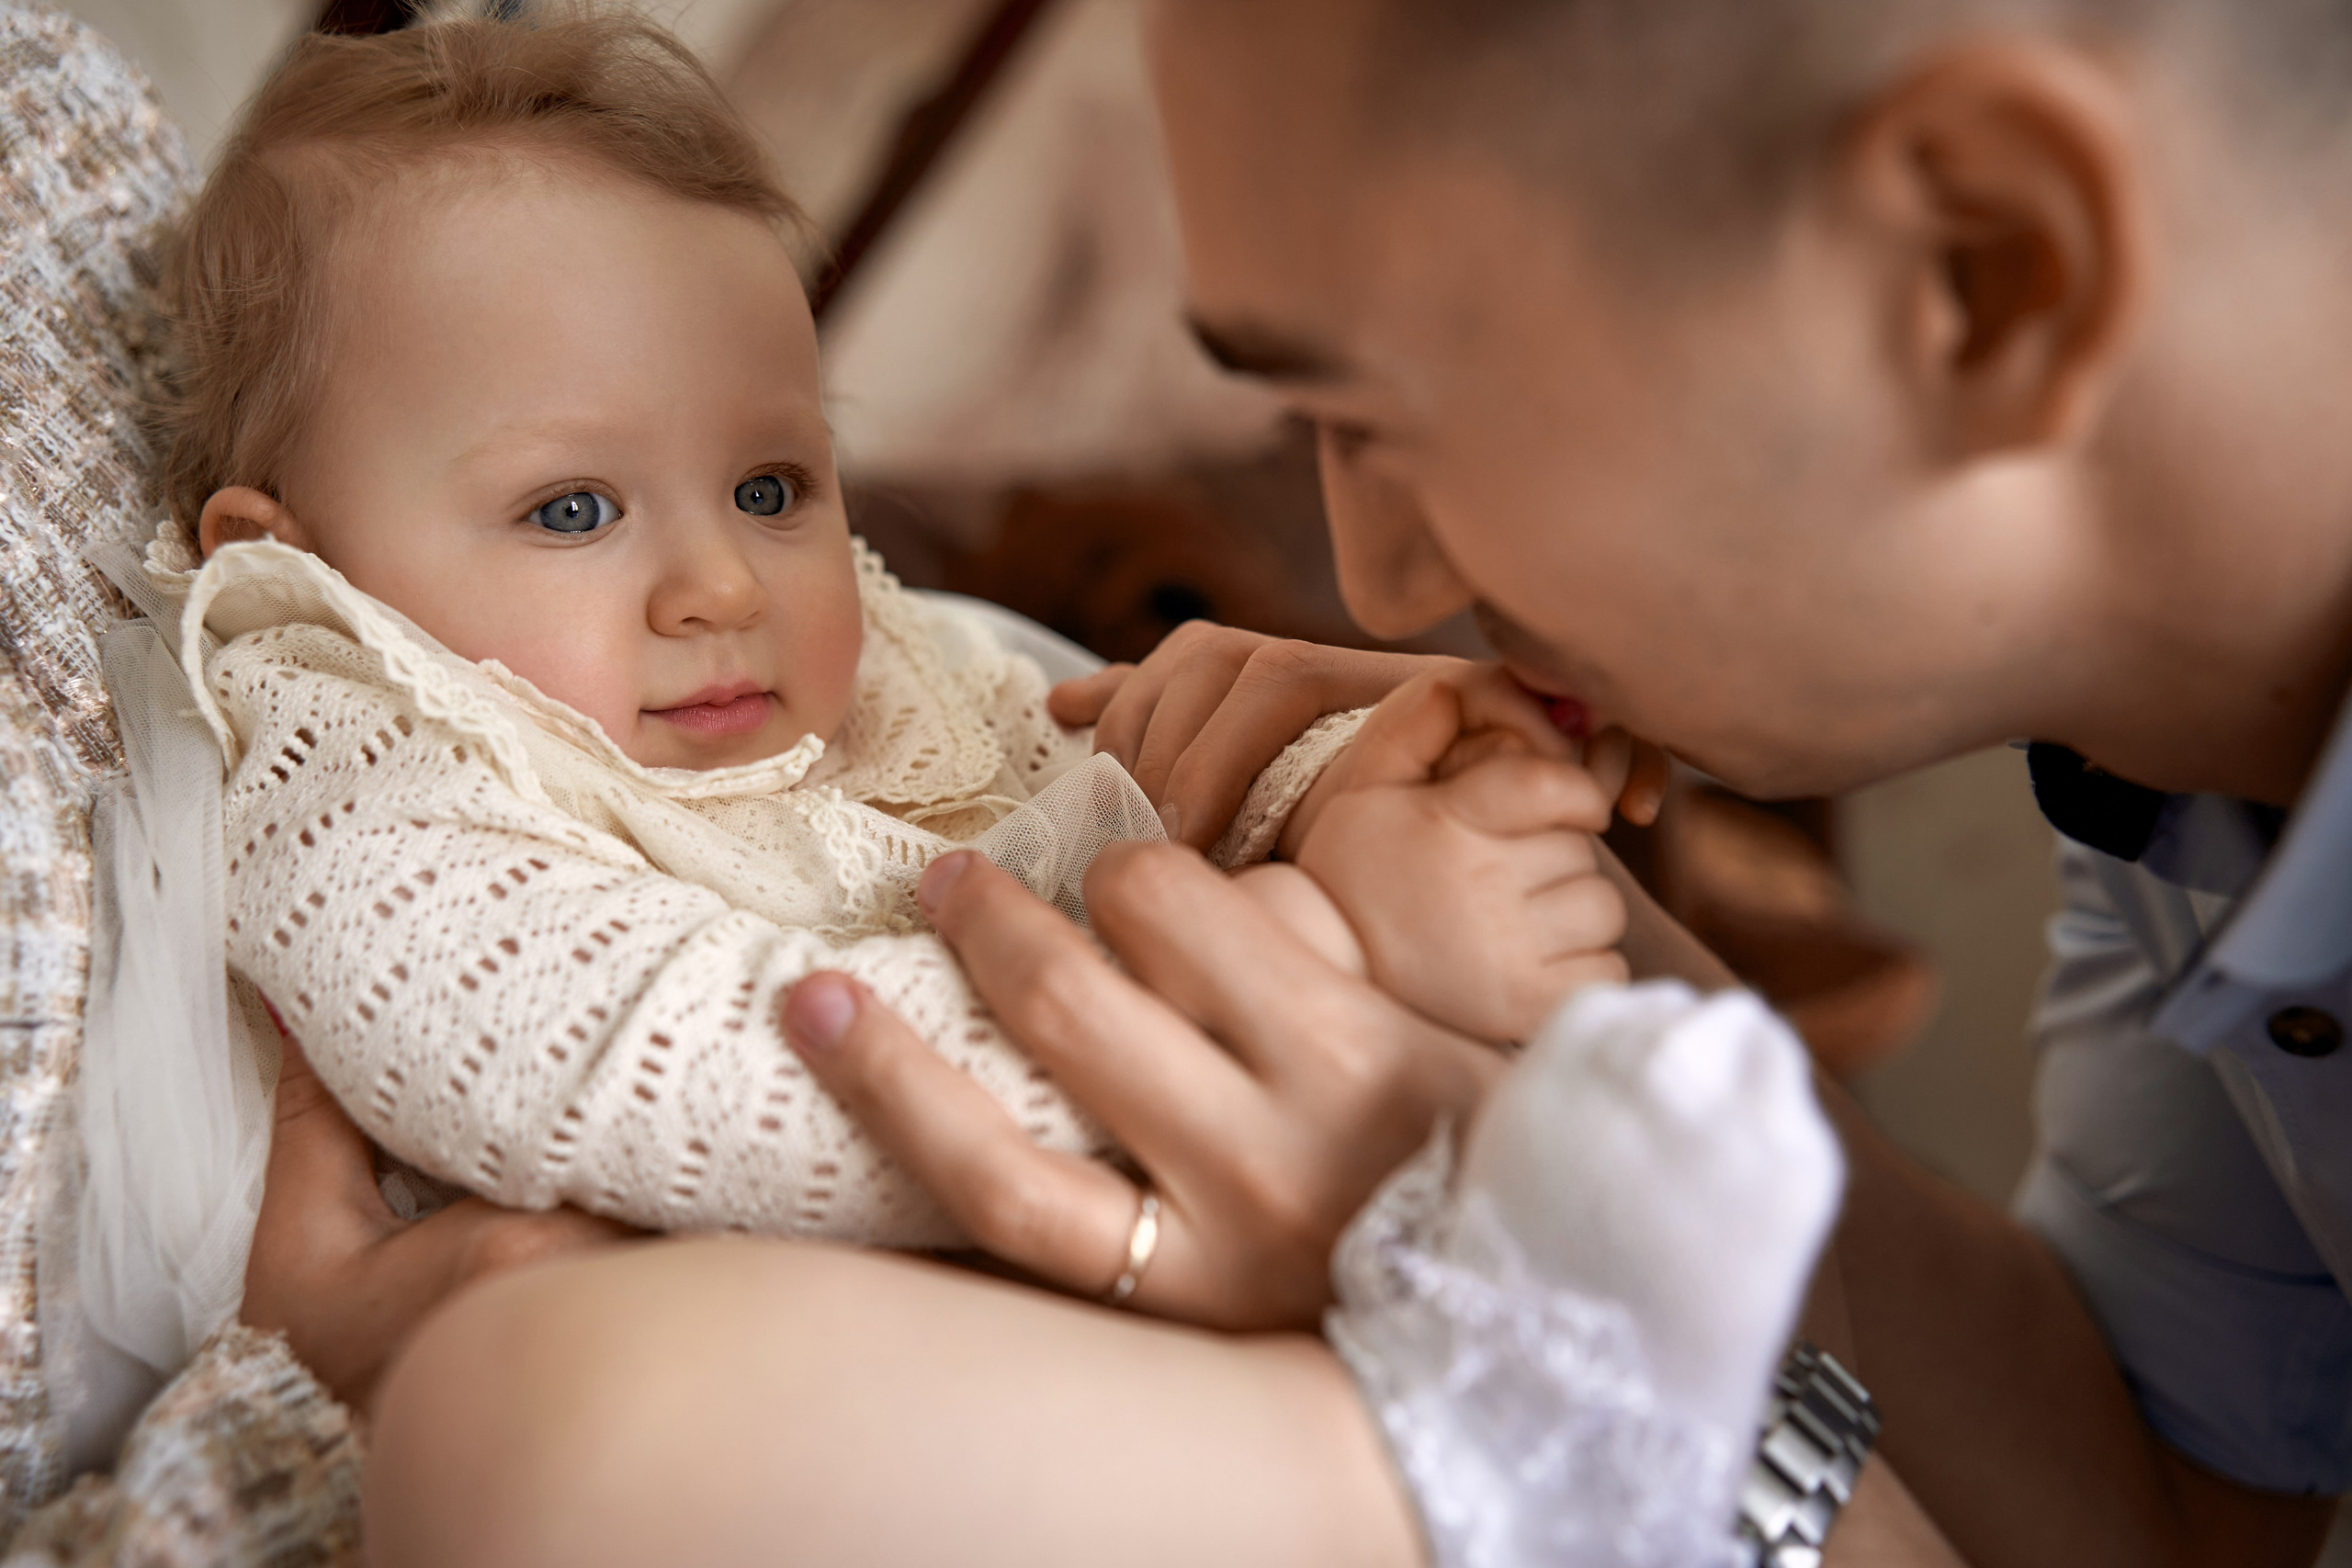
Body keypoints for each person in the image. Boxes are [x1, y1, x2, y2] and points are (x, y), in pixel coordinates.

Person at [256, 0, 2352, 1562]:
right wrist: (1564, 1004)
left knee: (570, 1438)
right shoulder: (2190, 780)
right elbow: (2158, 1526)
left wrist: (1532, 1342)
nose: (1374, 577)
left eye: (1379, 411)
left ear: (1983, 270)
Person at [102, 0, 1655, 1382]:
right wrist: (1325, 950)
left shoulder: (849, 683)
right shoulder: (368, 794)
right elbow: (716, 1077)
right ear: (298, 568)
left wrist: (1360, 783)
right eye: (573, 509)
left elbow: (1105, 791)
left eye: (773, 485)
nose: (722, 582)